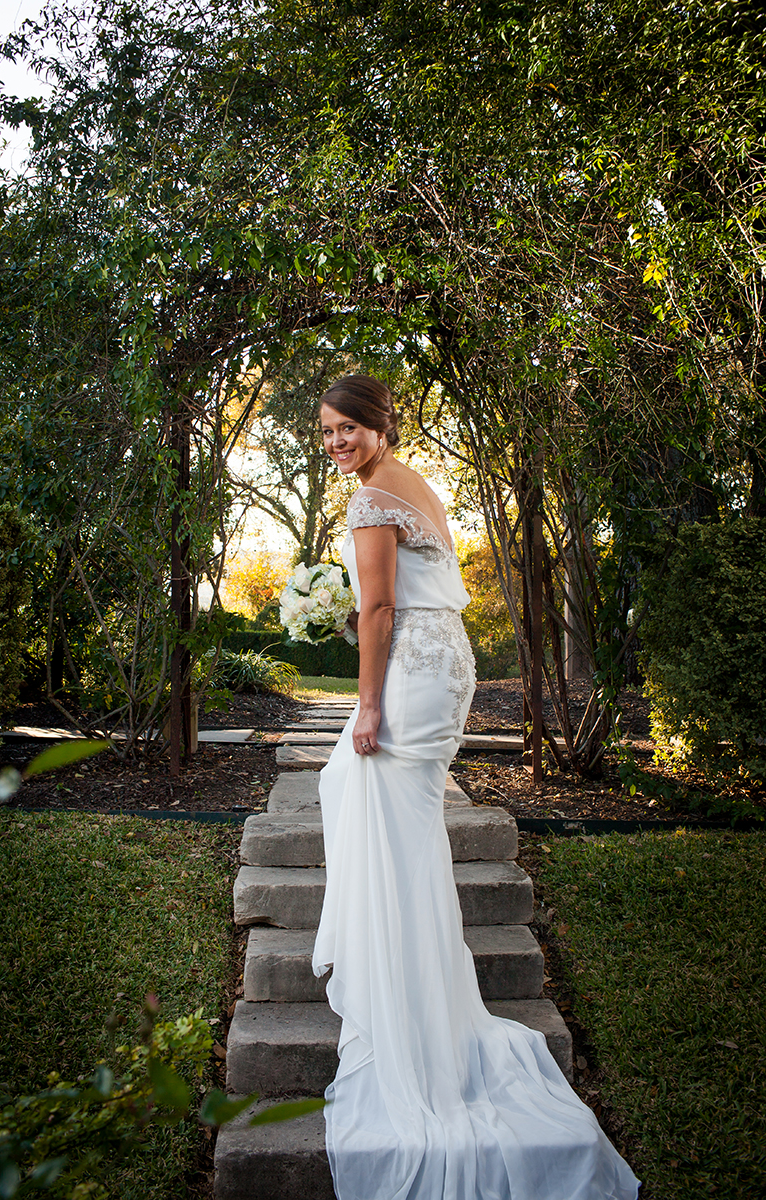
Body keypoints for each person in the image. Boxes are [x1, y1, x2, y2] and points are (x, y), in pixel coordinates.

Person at [312, 375, 640, 1200]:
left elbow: (383, 608)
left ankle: (408, 1018)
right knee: (395, 828)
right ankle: (422, 1000)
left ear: (378, 427)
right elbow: (404, 595)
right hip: (447, 662)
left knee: (371, 806)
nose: (338, 441)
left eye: (349, 427)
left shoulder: (367, 502)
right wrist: (349, 615)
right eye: (326, 430)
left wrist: (367, 702)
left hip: (412, 673)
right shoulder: (411, 482)